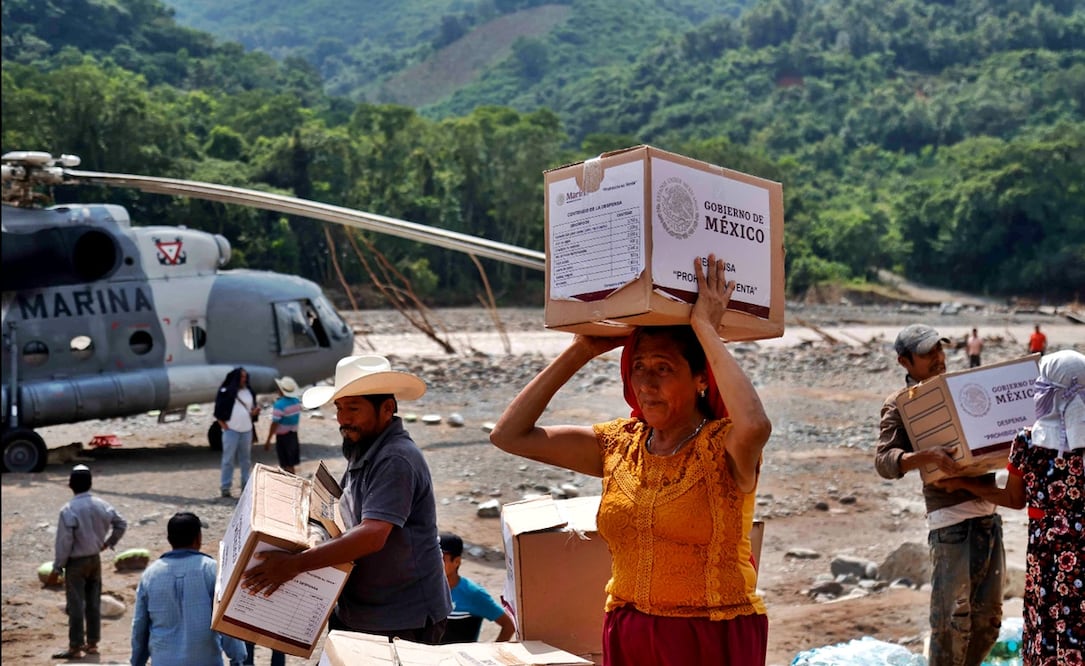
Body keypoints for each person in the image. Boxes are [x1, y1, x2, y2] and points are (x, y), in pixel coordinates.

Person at [489, 255, 772, 665]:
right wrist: (581, 351)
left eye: (663, 368)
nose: (646, 383)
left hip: (711, 634)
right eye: (638, 367)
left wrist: (705, 328)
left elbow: (757, 425)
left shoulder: (722, 446)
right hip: (630, 628)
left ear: (700, 380)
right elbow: (508, 435)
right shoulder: (617, 445)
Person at [241, 355, 451, 644]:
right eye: (339, 408)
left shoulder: (395, 458)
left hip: (401, 617)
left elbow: (372, 536)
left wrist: (292, 565)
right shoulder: (364, 448)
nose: (342, 419)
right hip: (361, 611)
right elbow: (340, 513)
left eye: (353, 408)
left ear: (387, 408)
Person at [937, 350, 1084, 665]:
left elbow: (1015, 499)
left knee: (1048, 620)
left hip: (1047, 551)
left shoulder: (1028, 441)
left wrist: (964, 484)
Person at [874, 324, 1005, 666]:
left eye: (939, 350)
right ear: (904, 362)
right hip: (950, 524)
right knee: (951, 623)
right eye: (927, 353)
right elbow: (884, 462)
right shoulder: (899, 404)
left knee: (988, 622)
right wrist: (926, 457)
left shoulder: (964, 388)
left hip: (989, 514)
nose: (938, 359)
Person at [130, 512, 248, 666]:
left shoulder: (150, 575)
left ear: (169, 539)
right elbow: (226, 619)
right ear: (198, 538)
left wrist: (137, 661)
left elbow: (140, 626)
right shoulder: (211, 569)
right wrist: (237, 657)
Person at [50, 464, 127, 660]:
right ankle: (92, 644)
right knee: (93, 602)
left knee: (75, 605)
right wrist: (109, 543)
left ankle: (75, 647)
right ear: (90, 483)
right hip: (95, 560)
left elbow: (64, 542)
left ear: (70, 485)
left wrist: (58, 566)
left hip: (76, 563)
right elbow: (121, 523)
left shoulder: (68, 509)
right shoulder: (101, 504)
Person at [438, 532, 516, 644]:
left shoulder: (473, 594)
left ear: (456, 561)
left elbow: (509, 625)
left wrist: (494, 653)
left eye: (441, 559)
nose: (434, 563)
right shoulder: (426, 589)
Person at [215, 366, 260, 498]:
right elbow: (218, 411)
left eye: (245, 377)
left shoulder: (249, 392)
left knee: (245, 460)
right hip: (231, 431)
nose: (244, 379)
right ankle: (225, 487)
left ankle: (245, 487)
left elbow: (251, 409)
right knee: (228, 460)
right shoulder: (226, 391)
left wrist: (254, 413)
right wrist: (224, 426)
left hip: (246, 430)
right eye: (241, 377)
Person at [264, 376, 303, 475]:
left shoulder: (279, 405)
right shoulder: (296, 402)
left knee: (285, 464)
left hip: (283, 437)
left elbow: (275, 423)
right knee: (291, 464)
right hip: (293, 435)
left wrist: (268, 440)